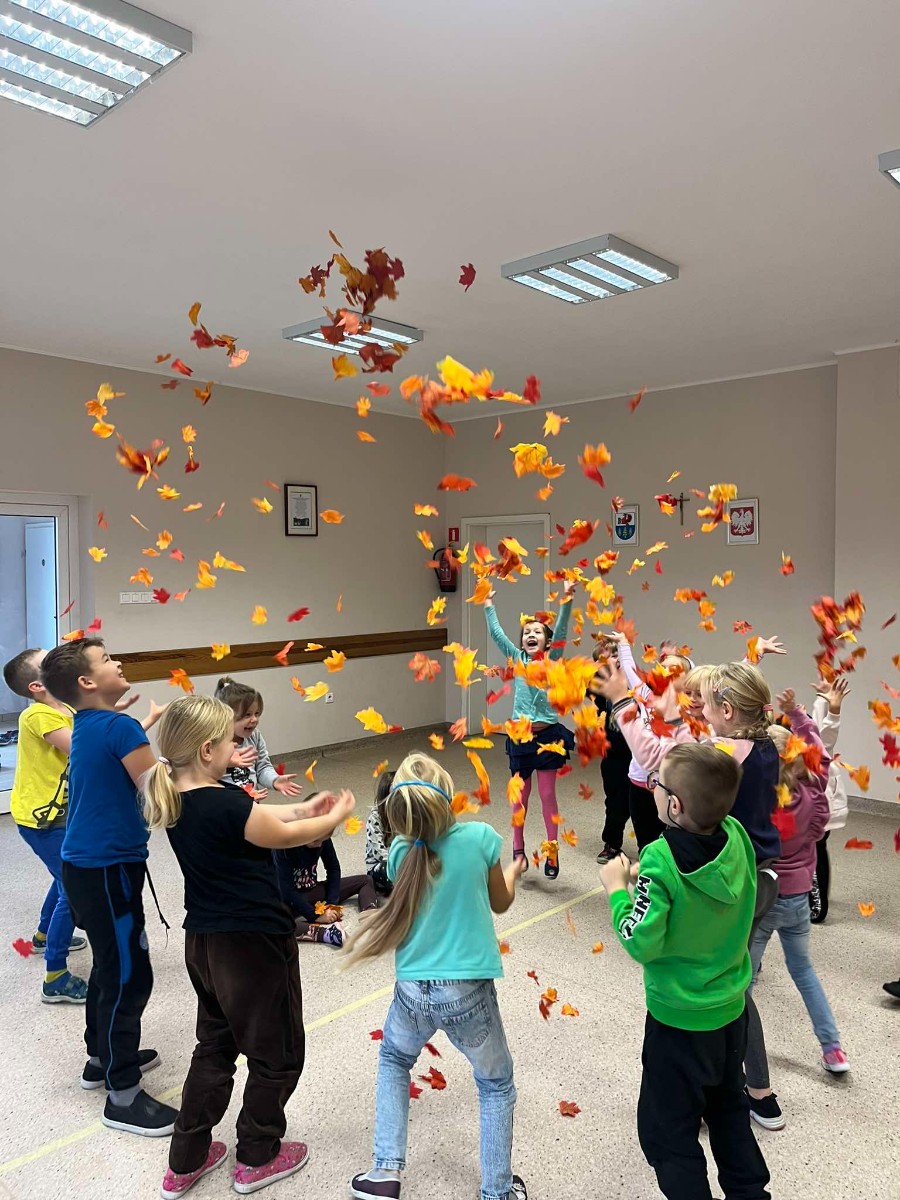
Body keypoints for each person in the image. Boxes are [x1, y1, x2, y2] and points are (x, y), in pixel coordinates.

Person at [143, 694, 356, 1198]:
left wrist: (304, 805)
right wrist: (332, 816)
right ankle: (258, 1155)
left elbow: (262, 817)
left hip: (205, 944)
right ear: (207, 750)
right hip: (252, 946)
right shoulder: (226, 804)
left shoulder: (180, 794)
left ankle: (185, 1159)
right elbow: (285, 835)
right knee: (276, 1053)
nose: (239, 747)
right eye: (229, 742)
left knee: (215, 1046)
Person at [596, 660, 784, 1130]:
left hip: (728, 873)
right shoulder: (764, 743)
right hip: (754, 871)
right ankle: (743, 1089)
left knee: (723, 985)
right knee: (730, 974)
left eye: (707, 703)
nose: (699, 708)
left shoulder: (722, 752)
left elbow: (657, 755)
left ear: (727, 710)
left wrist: (622, 703)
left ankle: (750, 1092)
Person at [345, 752, 528, 1200]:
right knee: (496, 1084)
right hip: (467, 992)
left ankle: (385, 1171)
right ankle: (497, 1192)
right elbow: (500, 902)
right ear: (448, 798)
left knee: (394, 1060)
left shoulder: (400, 852)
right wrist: (512, 872)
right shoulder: (481, 838)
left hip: (412, 990)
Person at [599, 742, 771, 1200]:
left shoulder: (660, 857)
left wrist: (618, 891)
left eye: (658, 784)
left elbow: (641, 940)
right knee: (728, 1110)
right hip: (730, 1015)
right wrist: (652, 883)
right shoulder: (736, 835)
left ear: (673, 805)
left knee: (666, 1133)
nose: (652, 788)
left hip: (678, 1025)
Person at [40, 638, 172, 1135]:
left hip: (85, 869)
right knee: (129, 975)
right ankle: (123, 1095)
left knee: (109, 964)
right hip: (108, 869)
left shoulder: (91, 723)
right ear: (87, 681)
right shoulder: (118, 726)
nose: (118, 662)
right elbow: (160, 795)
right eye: (107, 659)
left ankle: (101, 1058)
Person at [749, 689, 850, 1076]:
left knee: (743, 980)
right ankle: (833, 1048)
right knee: (804, 972)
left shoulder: (761, 808)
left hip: (765, 902)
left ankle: (733, 1048)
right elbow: (820, 755)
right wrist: (797, 715)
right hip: (798, 902)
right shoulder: (814, 793)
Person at [2, 647, 88, 1004]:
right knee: (74, 887)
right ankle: (55, 976)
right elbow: (82, 748)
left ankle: (41, 936)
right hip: (41, 821)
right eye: (49, 661)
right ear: (37, 686)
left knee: (63, 875)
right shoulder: (37, 715)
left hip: (60, 815)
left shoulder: (65, 708)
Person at [484, 580, 576, 877]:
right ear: (522, 641)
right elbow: (497, 634)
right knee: (520, 797)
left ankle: (552, 850)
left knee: (547, 795)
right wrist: (488, 604)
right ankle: (518, 847)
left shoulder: (552, 660)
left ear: (548, 642)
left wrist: (567, 597)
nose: (531, 635)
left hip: (548, 736)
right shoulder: (517, 659)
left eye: (537, 632)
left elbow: (562, 628)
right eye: (527, 632)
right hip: (521, 737)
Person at [274, 833, 378, 948]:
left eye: (322, 840)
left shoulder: (321, 836)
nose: (319, 845)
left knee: (365, 880)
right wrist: (315, 916)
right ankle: (327, 934)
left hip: (311, 890)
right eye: (315, 841)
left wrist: (332, 903)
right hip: (286, 899)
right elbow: (286, 890)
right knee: (274, 921)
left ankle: (370, 916)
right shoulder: (282, 847)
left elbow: (333, 868)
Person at [214, 677, 302, 800]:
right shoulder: (214, 741)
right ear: (226, 716)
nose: (254, 719)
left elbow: (262, 767)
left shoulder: (255, 736)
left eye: (257, 713)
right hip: (224, 804)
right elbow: (202, 774)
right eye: (247, 715)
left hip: (251, 802)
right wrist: (224, 762)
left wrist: (274, 780)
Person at [588, 637, 633, 864]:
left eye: (615, 654)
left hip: (639, 754)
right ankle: (612, 843)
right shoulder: (598, 687)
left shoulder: (635, 682)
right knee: (615, 800)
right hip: (613, 753)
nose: (612, 660)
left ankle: (651, 845)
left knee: (643, 802)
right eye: (604, 658)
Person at [808, 676, 850, 922]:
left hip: (819, 811)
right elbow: (817, 726)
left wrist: (833, 709)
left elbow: (826, 734)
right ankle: (810, 894)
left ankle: (818, 905)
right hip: (809, 810)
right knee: (810, 852)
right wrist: (822, 700)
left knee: (816, 851)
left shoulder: (817, 753)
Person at [365, 769, 396, 896]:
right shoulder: (375, 817)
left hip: (400, 860)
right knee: (387, 870)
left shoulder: (406, 814)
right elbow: (379, 852)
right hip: (380, 864)